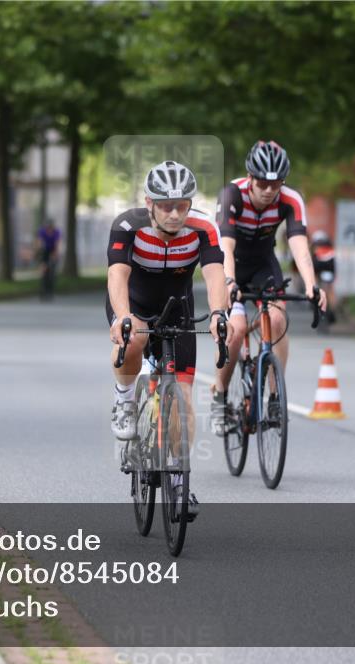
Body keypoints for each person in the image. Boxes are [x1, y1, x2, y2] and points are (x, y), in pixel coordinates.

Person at [106, 160, 231, 518]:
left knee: (183, 397)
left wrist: (220, 313)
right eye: (166, 206)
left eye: (182, 206)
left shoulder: (204, 228)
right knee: (133, 342)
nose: (175, 214)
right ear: (149, 203)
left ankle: (178, 480)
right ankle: (125, 398)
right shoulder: (127, 225)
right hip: (135, 302)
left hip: (178, 306)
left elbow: (214, 275)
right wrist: (123, 316)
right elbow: (117, 275)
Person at [211, 140, 326, 436]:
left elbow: (299, 246)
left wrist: (312, 286)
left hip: (263, 263)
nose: (268, 190)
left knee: (276, 319)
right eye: (262, 183)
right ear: (250, 177)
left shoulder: (290, 200)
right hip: (230, 261)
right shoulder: (231, 194)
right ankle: (220, 396)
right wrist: (229, 283)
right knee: (235, 330)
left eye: (275, 184)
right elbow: (225, 245)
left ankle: (275, 397)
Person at [310, 230, 337, 325]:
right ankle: (333, 310)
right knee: (331, 290)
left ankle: (315, 300)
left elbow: (313, 264)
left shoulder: (315, 247)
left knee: (315, 285)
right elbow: (333, 265)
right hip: (329, 268)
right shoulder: (330, 247)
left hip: (319, 267)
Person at [37, 218, 61, 301]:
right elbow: (39, 242)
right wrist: (40, 252)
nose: (49, 230)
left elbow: (57, 244)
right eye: (48, 228)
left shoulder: (56, 232)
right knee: (43, 272)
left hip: (52, 251)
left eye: (51, 228)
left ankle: (51, 291)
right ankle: (42, 290)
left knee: (52, 272)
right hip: (44, 252)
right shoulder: (42, 232)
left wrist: (55, 254)